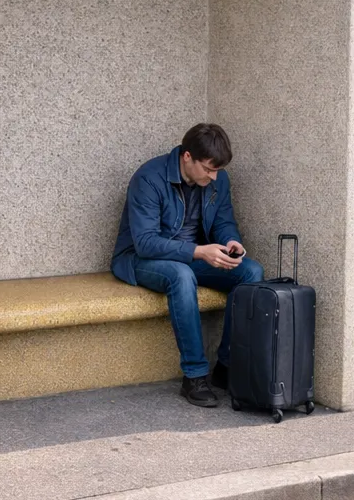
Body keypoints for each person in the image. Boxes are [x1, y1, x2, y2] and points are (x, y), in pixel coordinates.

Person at [111, 123, 264, 408]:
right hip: (141, 259)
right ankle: (194, 375)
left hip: (193, 256)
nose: (214, 176)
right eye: (208, 169)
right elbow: (145, 242)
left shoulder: (218, 179)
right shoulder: (149, 178)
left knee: (251, 272)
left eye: (217, 170)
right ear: (187, 157)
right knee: (181, 276)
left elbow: (224, 222)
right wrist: (198, 251)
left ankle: (226, 368)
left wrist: (232, 243)